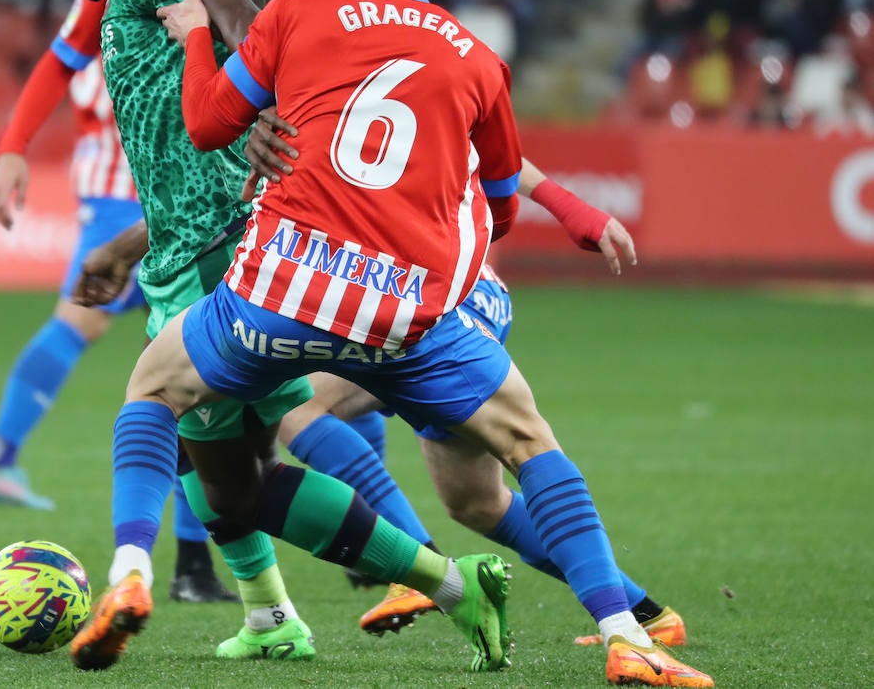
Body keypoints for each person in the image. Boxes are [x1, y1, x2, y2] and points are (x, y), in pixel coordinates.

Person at [95, 0, 713, 687]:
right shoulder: (476, 61)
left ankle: (134, 571)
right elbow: (497, 211)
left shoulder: (304, 7)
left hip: (290, 288)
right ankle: (623, 628)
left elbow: (208, 124)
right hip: (418, 306)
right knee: (524, 448)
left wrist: (197, 39)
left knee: (159, 388)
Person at [0, 0, 514, 676]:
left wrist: (271, 97)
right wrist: (135, 242)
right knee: (232, 482)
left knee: (159, 406)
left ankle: (130, 577)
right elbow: (185, 143)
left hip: (213, 261)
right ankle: (421, 589)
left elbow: (245, 19)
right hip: (189, 246)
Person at [0, 0, 322, 601]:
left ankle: (144, 573)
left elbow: (272, 37)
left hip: (234, 213)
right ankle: (274, 594)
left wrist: (274, 116)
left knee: (182, 406)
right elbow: (64, 60)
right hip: (165, 210)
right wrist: (18, 147)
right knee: (241, 438)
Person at [245, 115, 691, 648]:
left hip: (443, 291)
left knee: (298, 405)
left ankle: (417, 567)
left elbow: (497, 156)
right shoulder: (377, 84)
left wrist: (571, 207)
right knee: (476, 504)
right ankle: (647, 615)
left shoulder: (385, 86)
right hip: (422, 291)